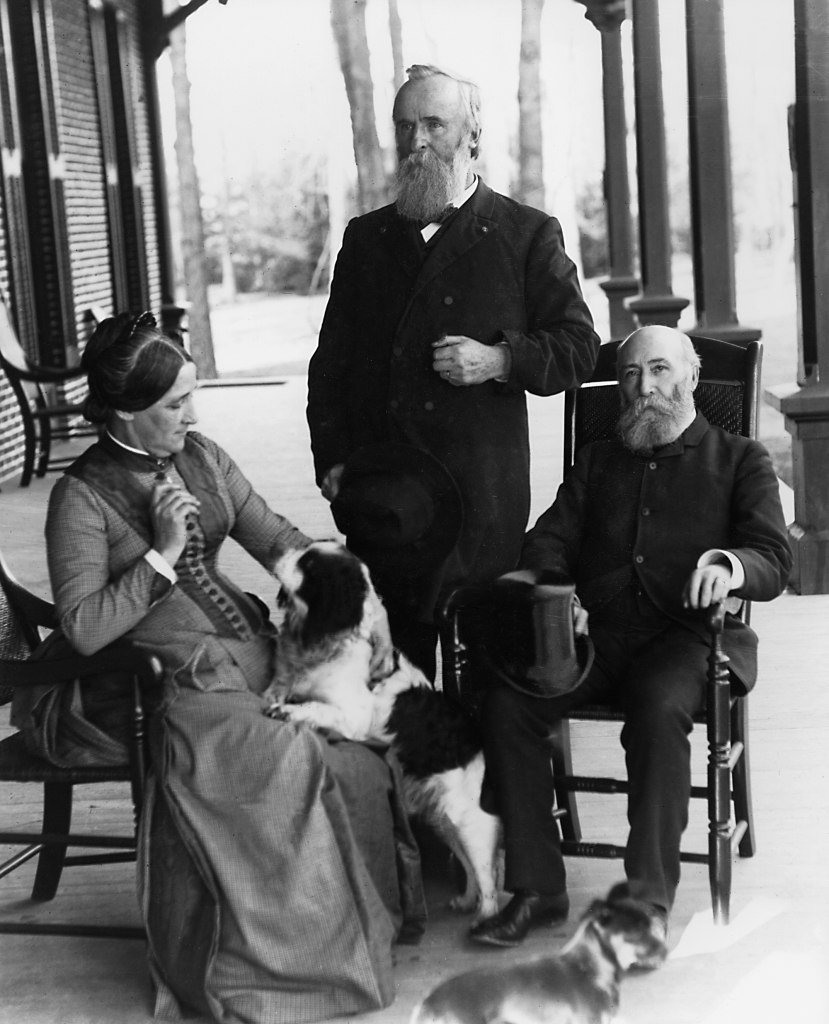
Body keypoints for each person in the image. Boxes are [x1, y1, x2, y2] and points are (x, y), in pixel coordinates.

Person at [11, 312, 425, 1024]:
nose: (190, 415)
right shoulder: (79, 498)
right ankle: (290, 969)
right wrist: (162, 554)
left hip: (247, 660)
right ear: (123, 412)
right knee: (291, 750)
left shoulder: (203, 458)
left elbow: (279, 540)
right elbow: (82, 631)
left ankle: (364, 928)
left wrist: (360, 603)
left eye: (191, 396)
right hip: (144, 684)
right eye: (175, 404)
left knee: (356, 730)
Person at [469, 325, 792, 951]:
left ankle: (645, 905)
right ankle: (537, 889)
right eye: (630, 374)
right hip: (599, 637)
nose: (645, 386)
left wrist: (728, 565)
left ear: (692, 377)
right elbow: (547, 541)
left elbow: (773, 559)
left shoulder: (739, 458)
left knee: (656, 705)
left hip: (690, 639)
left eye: (660, 370)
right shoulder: (597, 459)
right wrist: (564, 599)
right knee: (509, 704)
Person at [307, 63, 600, 680]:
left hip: (479, 503)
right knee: (396, 688)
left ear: (472, 134)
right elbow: (329, 366)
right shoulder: (366, 239)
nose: (416, 142)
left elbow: (578, 347)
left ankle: (486, 779)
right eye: (405, 126)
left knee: (486, 686)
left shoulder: (525, 234)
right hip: (386, 498)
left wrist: (500, 359)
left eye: (433, 125)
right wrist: (332, 460)